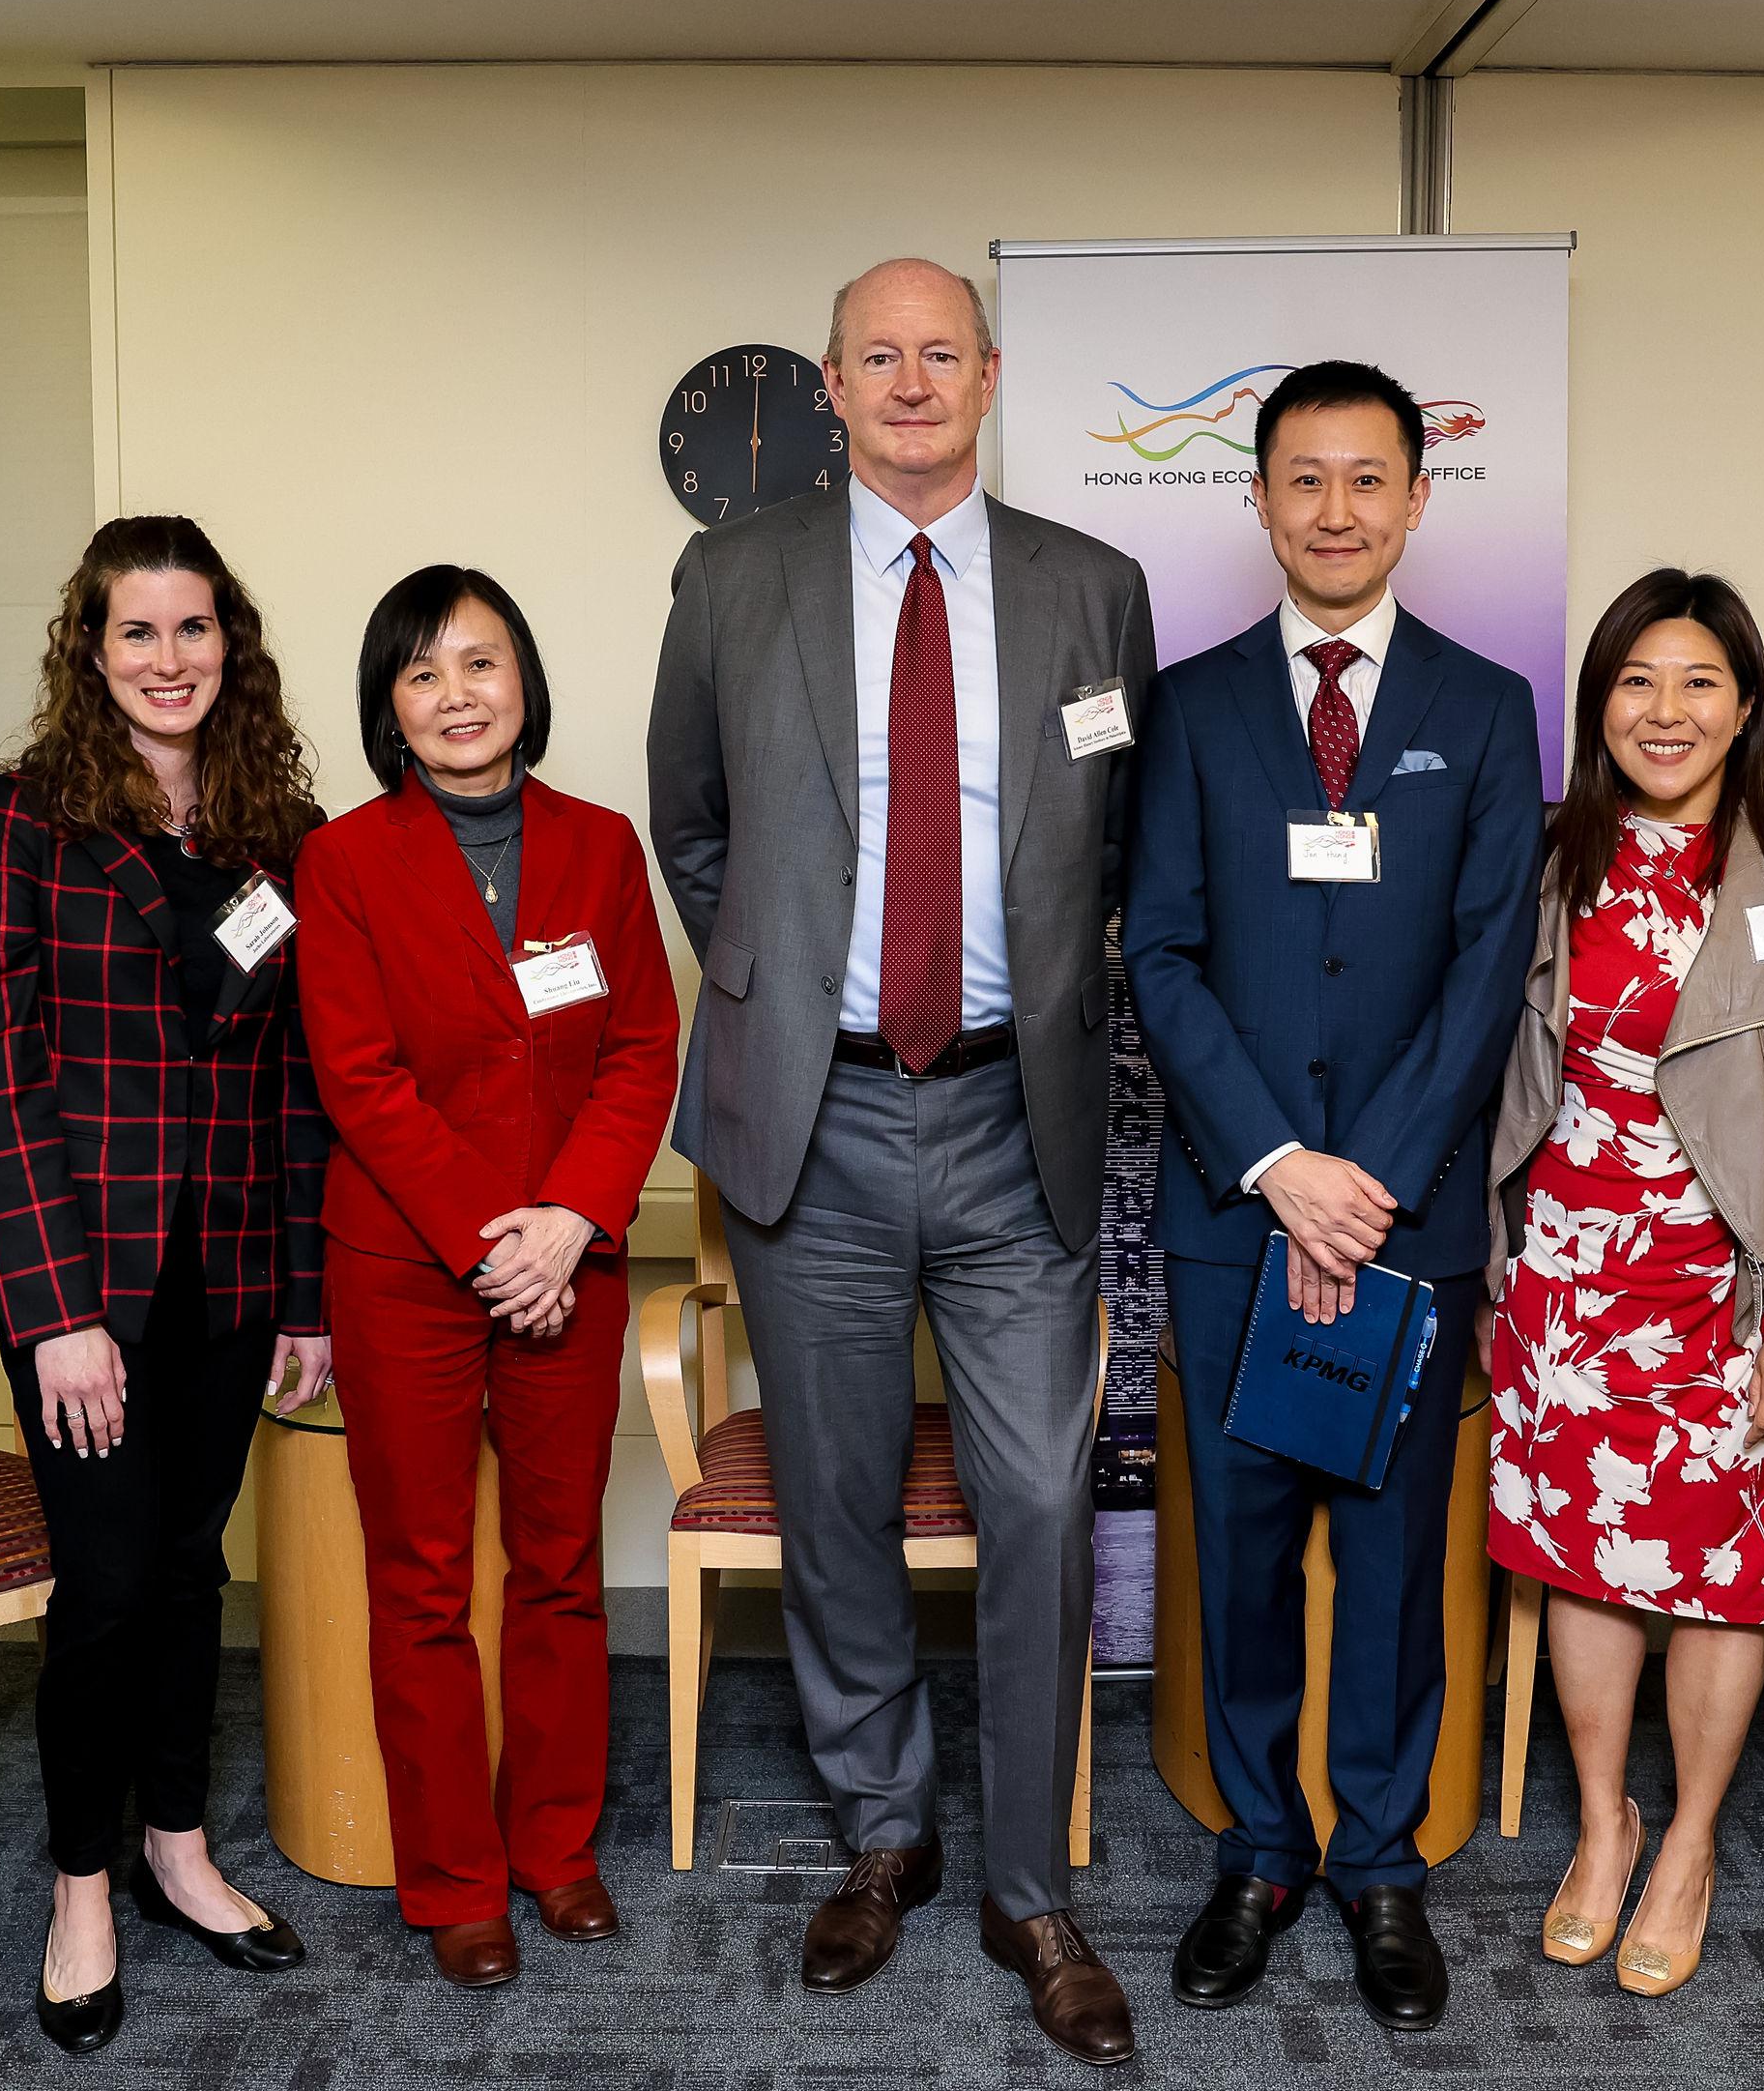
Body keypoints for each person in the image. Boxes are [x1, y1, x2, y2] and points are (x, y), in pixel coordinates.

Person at [646, 257, 1156, 2064]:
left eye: (946, 353)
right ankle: (883, 1834)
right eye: (883, 355)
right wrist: (786, 994)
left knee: (1034, 1502)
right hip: (822, 1116)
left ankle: (1032, 1883)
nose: (916, 380)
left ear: (992, 377)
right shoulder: (738, 574)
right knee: (837, 1504)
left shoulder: (1097, 593)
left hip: (1024, 1118)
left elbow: (1122, 853)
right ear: (836, 386)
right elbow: (687, 827)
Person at [1121, 361, 1540, 2031]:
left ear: (1419, 498)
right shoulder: (1196, 703)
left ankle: (1381, 1865)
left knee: (1388, 1561)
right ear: (1260, 499)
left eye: (1371, 480)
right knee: (1237, 1552)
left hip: (1409, 1217)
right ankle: (1260, 1849)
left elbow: (1487, 961)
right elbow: (1159, 946)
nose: (1338, 510)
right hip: (1237, 1215)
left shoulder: (1487, 704)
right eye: (1306, 480)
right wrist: (1282, 1170)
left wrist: (1363, 1183)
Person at [0, 515, 333, 2054]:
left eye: (193, 631)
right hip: (85, 1285)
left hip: (232, 1274)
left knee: (187, 1569)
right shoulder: (25, 816)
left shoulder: (274, 835)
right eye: (136, 633)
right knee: (104, 1590)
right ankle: (81, 1882)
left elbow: (298, 1085)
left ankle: (178, 1845)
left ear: (227, 646)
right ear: (90, 650)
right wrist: (54, 1314)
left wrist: (305, 1295)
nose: (167, 660)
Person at [1484, 568, 1764, 2001]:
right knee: (1584, 1565)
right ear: (1600, 704)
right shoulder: (1548, 853)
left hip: (1731, 1296)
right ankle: (1603, 1826)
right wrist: (1493, 1275)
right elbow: (1500, 1080)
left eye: (1700, 681)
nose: (1668, 711)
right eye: (1638, 681)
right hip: (1564, 1284)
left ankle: (1691, 1843)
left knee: (1718, 1585)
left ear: (1747, 703)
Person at [297, 566, 680, 1989]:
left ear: (524, 682)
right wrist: (491, 1236)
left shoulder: (600, 843)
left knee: (564, 1566)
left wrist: (569, 1220)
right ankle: (455, 1878)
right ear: (389, 708)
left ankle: (555, 1851)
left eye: (481, 663)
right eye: (423, 672)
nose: (458, 695)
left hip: (567, 1262)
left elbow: (643, 1044)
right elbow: (361, 1079)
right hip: (406, 1267)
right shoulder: (344, 864)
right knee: (421, 1581)